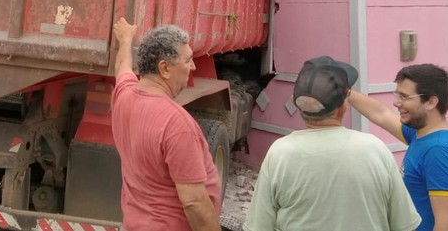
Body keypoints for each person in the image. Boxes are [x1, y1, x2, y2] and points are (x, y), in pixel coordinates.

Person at [244, 56, 420, 231]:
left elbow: (259, 226)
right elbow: (404, 225)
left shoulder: (281, 153)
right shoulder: (375, 149)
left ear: (298, 105)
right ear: (344, 106)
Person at [111, 18, 221, 231]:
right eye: (188, 60)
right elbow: (194, 203)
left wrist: (125, 40)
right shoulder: (176, 124)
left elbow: (122, 67)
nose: (194, 66)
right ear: (165, 69)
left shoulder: (124, 96)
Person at [348, 64, 448, 231]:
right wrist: (345, 92)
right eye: (397, 95)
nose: (396, 103)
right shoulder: (421, 135)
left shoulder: (439, 151)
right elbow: (381, 114)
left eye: (404, 96)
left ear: (431, 102)